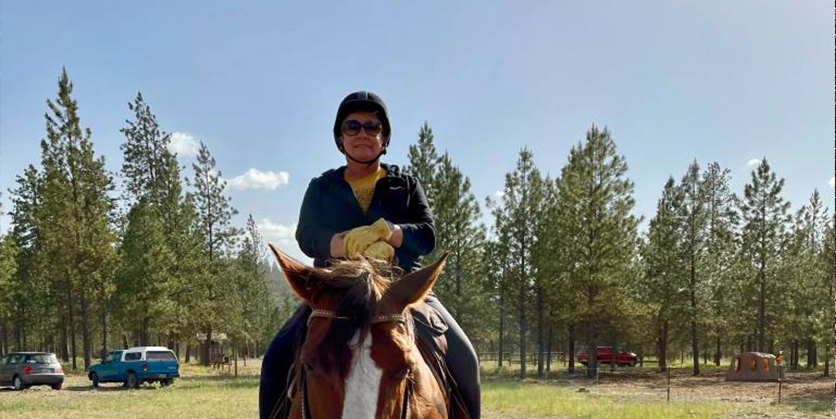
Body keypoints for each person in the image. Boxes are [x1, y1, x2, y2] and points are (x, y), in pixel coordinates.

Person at [259, 91, 480, 419]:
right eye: (352, 126)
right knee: (276, 356)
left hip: (400, 290)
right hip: (333, 294)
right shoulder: (321, 187)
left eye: (372, 126)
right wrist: (345, 243)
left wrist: (389, 232)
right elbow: (307, 237)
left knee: (465, 358)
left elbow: (427, 235)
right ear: (340, 137)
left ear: (384, 137)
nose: (363, 132)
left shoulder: (405, 184)